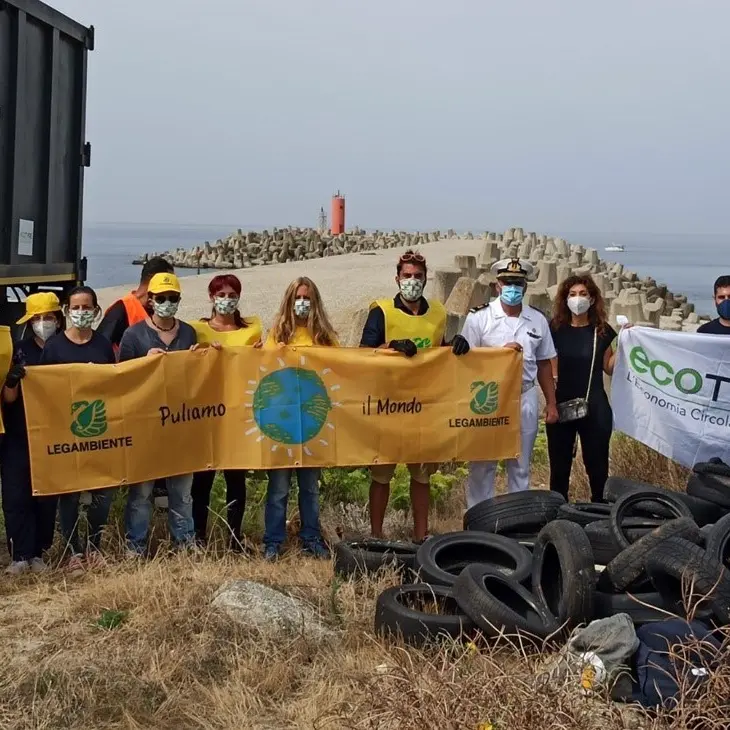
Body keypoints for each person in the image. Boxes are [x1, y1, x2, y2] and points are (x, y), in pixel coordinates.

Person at [360, 249, 469, 542]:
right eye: (407, 276)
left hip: (424, 404)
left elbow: (439, 350)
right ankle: (376, 535)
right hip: (389, 403)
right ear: (397, 278)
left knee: (422, 474)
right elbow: (363, 354)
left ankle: (421, 536)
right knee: (382, 474)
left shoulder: (438, 313)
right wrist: (392, 346)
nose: (412, 281)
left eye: (418, 276)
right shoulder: (381, 311)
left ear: (426, 278)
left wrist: (455, 346)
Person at [460, 258, 558, 508]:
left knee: (520, 464)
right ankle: (478, 519)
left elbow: (545, 363)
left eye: (518, 283)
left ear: (525, 287)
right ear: (497, 286)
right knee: (483, 464)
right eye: (507, 282)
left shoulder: (537, 320)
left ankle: (516, 522)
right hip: (488, 398)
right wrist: (499, 355)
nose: (513, 287)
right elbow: (466, 363)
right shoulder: (478, 318)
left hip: (524, 396)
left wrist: (552, 403)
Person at [119, 272, 199, 554]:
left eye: (173, 298)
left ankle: (184, 544)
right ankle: (136, 546)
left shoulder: (189, 332)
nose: (167, 303)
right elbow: (121, 380)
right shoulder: (133, 335)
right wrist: (145, 363)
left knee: (182, 490)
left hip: (180, 423)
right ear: (150, 300)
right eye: (161, 298)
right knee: (141, 492)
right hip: (145, 425)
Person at [39, 286, 117, 574]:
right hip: (66, 429)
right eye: (76, 308)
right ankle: (74, 551)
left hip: (99, 429)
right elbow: (43, 389)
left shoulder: (103, 345)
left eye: (87, 308)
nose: (81, 313)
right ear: (66, 311)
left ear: (96, 311)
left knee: (102, 490)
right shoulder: (55, 347)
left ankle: (95, 547)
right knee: (69, 493)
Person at [262, 276, 337, 560]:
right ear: (289, 301)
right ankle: (273, 541)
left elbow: (342, 368)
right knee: (278, 487)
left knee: (309, 488)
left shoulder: (325, 337)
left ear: (315, 301)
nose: (302, 303)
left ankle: (311, 538)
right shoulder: (277, 333)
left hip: (313, 422)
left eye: (307, 298)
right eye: (297, 298)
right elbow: (262, 369)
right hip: (283, 422)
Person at [188, 274, 262, 550]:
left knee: (235, 477)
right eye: (221, 295)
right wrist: (197, 353)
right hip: (207, 412)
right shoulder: (197, 330)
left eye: (232, 295)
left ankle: (234, 536)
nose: (227, 300)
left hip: (239, 412)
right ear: (211, 297)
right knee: (203, 478)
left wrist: (259, 353)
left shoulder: (252, 330)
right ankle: (199, 536)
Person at [1, 293, 64, 574]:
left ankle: (39, 551)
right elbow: (8, 399)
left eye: (48, 317)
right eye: (36, 319)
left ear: (58, 319)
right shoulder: (18, 349)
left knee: (46, 495)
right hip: (18, 433)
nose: (42, 323)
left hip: (53, 434)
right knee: (15, 494)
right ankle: (19, 554)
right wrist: (12, 379)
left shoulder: (65, 348)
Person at [547, 275, 618, 503]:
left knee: (597, 468)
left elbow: (609, 368)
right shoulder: (554, 329)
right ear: (564, 299)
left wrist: (628, 344)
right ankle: (557, 514)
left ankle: (600, 513)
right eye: (572, 294)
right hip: (560, 404)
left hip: (594, 406)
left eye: (583, 294)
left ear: (592, 298)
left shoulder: (603, 331)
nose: (578, 299)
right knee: (559, 468)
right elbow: (546, 364)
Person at [98, 256, 175, 350]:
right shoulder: (120, 310)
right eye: (168, 282)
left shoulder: (160, 309)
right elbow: (98, 348)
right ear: (153, 280)